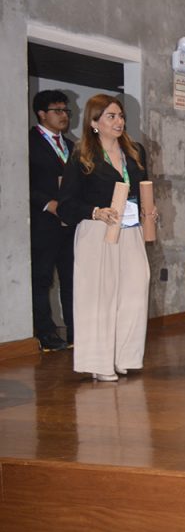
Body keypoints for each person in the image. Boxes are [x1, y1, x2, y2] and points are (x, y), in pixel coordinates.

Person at [57, 94, 152, 381]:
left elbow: (142, 189)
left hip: (131, 229)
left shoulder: (135, 152)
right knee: (99, 297)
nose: (119, 121)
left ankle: (124, 357)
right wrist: (96, 212)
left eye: (120, 116)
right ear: (94, 122)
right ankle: (99, 364)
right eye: (111, 116)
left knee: (136, 289)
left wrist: (149, 210)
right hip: (97, 232)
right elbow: (66, 205)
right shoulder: (82, 156)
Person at [28, 90, 75, 352]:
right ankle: (46, 333)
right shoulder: (29, 142)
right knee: (42, 279)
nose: (64, 115)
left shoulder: (70, 145)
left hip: (70, 224)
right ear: (41, 114)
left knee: (71, 279)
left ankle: (75, 331)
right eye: (57, 110)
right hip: (43, 222)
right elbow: (23, 181)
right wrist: (48, 204)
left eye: (66, 110)